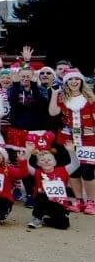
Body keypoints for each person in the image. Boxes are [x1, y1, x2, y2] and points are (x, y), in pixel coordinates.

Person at [47, 68, 95, 214]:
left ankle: (91, 202)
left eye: (77, 79)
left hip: (88, 140)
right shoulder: (63, 98)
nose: (74, 82)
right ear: (66, 83)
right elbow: (53, 112)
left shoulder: (91, 99)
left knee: (87, 171)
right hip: (68, 140)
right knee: (74, 171)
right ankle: (79, 200)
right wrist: (54, 94)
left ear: (81, 81)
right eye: (70, 80)